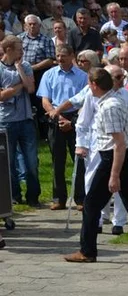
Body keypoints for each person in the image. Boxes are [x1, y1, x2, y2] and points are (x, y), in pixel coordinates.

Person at [64, 67, 128, 263]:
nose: (88, 87)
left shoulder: (109, 106)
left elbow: (118, 144)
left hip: (113, 158)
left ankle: (87, 251)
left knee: (91, 204)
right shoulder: (116, 100)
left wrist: (114, 174)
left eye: (89, 83)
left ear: (95, 85)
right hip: (118, 157)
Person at [39, 45, 88, 211]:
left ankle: (80, 198)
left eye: (64, 56)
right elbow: (45, 100)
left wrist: (72, 122)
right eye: (58, 56)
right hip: (55, 117)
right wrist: (57, 115)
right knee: (57, 161)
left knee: (79, 160)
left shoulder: (83, 76)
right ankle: (59, 198)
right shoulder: (49, 74)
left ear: (72, 56)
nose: (60, 59)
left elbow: (84, 101)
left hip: (76, 117)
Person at [0, 35, 40, 208]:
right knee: (8, 163)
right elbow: (1, 96)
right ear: (8, 49)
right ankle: (14, 195)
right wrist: (19, 86)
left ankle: (33, 196)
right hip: (6, 121)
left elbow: (30, 88)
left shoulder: (25, 66)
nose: (22, 51)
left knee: (31, 161)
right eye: (19, 48)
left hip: (25, 120)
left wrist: (19, 69)